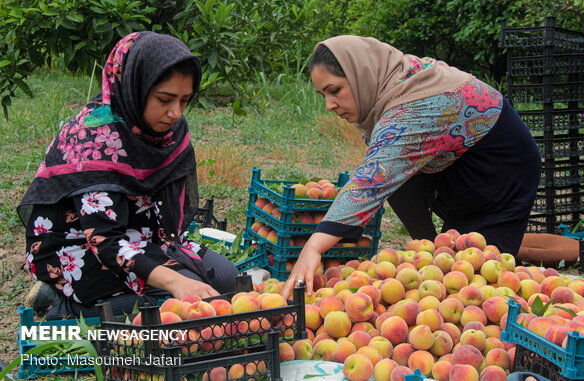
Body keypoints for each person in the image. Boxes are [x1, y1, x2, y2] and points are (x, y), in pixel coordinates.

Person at [282, 35, 541, 298]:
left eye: (334, 90)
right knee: (441, 258)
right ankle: (427, 250)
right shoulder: (388, 88)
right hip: (455, 169)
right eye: (323, 94)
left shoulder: (416, 104)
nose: (329, 105)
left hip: (501, 173)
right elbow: (382, 171)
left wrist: (313, 247)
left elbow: (371, 181)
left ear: (363, 74)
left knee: (478, 278)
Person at [19, 31, 238, 319]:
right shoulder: (93, 140)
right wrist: (176, 280)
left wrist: (177, 271)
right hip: (81, 246)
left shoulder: (166, 132)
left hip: (142, 235)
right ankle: (64, 307)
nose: (175, 112)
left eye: (185, 100)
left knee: (226, 278)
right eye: (165, 99)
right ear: (136, 86)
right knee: (180, 301)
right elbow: (104, 240)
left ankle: (85, 298)